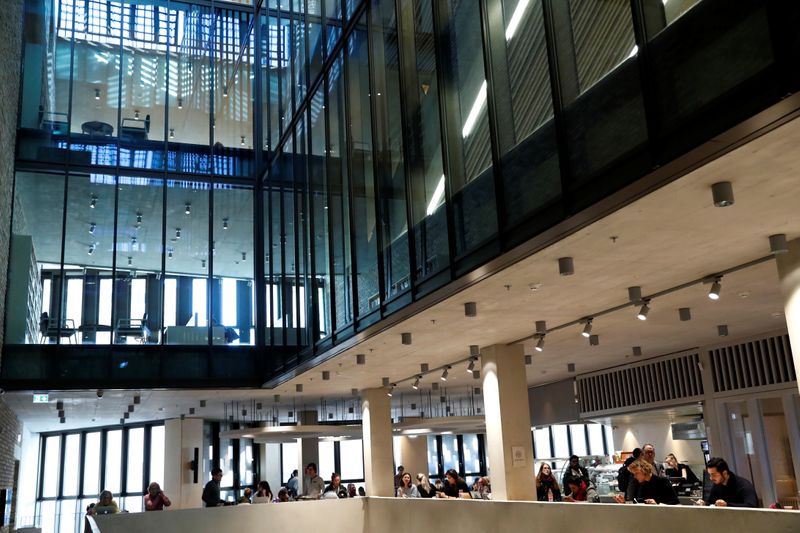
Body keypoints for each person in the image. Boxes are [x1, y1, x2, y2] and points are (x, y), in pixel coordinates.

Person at [613, 459, 678, 505]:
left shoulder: (663, 481)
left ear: (644, 470)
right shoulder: (641, 484)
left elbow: (675, 502)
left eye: (636, 473)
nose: (635, 477)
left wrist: (658, 504)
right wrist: (625, 502)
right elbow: (638, 502)